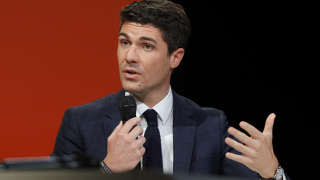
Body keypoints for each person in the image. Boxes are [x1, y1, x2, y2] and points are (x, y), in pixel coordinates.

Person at [53, 0, 289, 179]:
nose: (129, 57)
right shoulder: (80, 123)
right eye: (125, 42)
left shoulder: (210, 125)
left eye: (146, 46)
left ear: (175, 58)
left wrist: (272, 171)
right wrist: (108, 169)